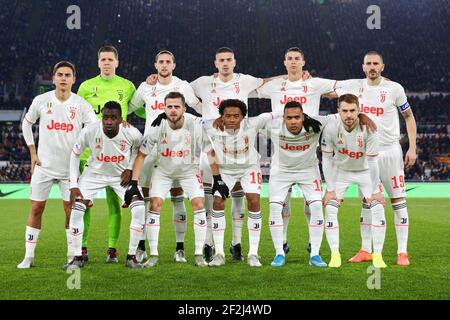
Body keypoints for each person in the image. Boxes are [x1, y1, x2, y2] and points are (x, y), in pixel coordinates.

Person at [190, 47, 284, 262]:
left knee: (246, 200)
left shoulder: (246, 83)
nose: (225, 63)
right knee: (212, 200)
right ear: (215, 62)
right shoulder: (202, 85)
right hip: (217, 158)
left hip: (244, 160)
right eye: (221, 60)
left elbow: (267, 84)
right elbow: (181, 94)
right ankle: (211, 246)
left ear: (234, 62)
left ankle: (243, 247)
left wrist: (291, 76)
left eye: (228, 60)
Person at [333, 51, 416, 266]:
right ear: (363, 67)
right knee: (367, 202)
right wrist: (306, 78)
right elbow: (327, 88)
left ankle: (402, 252)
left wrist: (412, 148)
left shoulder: (394, 89)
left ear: (382, 66)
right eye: (368, 63)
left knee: (398, 201)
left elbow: (409, 117)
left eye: (375, 64)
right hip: (367, 155)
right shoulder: (353, 87)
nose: (372, 67)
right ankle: (365, 249)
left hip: (390, 152)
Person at [256, 47, 338, 255]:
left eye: (297, 59)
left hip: (307, 150)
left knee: (312, 203)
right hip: (281, 150)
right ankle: (282, 241)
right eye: (289, 59)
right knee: (281, 202)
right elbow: (252, 86)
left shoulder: (314, 84)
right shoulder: (275, 86)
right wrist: (283, 77)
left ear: (304, 62)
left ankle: (313, 242)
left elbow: (342, 89)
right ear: (285, 63)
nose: (293, 62)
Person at [17, 61, 98, 269]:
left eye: (67, 75)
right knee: (36, 208)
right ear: (53, 78)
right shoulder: (42, 100)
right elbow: (27, 123)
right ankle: (29, 256)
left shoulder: (80, 104)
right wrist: (33, 152)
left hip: (68, 169)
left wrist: (86, 153)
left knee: (71, 211)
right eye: (59, 74)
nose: (63, 78)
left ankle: (72, 255)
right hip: (44, 165)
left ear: (74, 79)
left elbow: (95, 128)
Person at [129, 50, 202, 263]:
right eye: (160, 62)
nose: (164, 65)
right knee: (146, 199)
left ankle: (180, 249)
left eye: (168, 62)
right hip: (151, 148)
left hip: (178, 149)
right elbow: (131, 108)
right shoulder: (145, 87)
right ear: (155, 65)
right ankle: (142, 245)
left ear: (174, 64)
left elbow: (197, 107)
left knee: (178, 197)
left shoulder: (182, 86)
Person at [77, 45, 143, 263]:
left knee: (115, 204)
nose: (106, 63)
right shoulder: (86, 86)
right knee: (84, 204)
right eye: (103, 59)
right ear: (98, 62)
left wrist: (152, 90)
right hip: (90, 155)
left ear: (117, 62)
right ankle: (82, 248)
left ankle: (111, 250)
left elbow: (141, 109)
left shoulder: (127, 86)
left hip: (118, 158)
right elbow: (78, 117)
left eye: (110, 59)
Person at [64, 101, 144, 270]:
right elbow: (75, 154)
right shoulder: (90, 130)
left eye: (113, 118)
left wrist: (130, 168)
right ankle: (77, 257)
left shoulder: (131, 132)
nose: (108, 121)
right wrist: (73, 184)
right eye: (106, 117)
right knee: (77, 209)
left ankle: (131, 257)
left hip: (119, 176)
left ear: (120, 119)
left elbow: (139, 148)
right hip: (93, 174)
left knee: (139, 209)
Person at [203, 99, 275, 267]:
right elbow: (189, 119)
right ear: (221, 116)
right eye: (228, 116)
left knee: (254, 200)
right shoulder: (209, 126)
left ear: (243, 116)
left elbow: (275, 113)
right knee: (218, 201)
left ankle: (253, 254)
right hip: (225, 170)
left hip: (249, 168)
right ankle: (219, 254)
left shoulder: (253, 123)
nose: (232, 119)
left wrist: (305, 117)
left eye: (236, 116)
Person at [321, 94, 387, 269]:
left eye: (352, 111)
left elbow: (373, 162)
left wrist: (375, 190)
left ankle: (377, 255)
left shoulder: (369, 129)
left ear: (359, 110)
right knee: (330, 208)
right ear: (338, 111)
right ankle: (335, 254)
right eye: (345, 111)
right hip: (340, 172)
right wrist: (329, 189)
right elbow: (326, 160)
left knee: (378, 207)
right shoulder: (330, 129)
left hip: (365, 171)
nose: (349, 115)